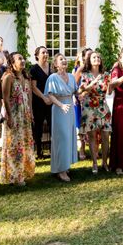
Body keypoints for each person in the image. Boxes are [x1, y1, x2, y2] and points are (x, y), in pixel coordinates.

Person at [0, 52, 36, 186]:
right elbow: (5, 98)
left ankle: (24, 171)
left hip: (25, 115)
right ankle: (15, 176)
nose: (23, 60)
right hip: (14, 114)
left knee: (24, 143)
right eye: (19, 58)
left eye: (23, 58)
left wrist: (31, 112)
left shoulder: (26, 77)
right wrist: (9, 116)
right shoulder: (8, 77)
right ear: (12, 62)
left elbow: (30, 97)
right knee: (14, 145)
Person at [44, 54, 79, 183]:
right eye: (61, 59)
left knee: (69, 136)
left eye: (64, 59)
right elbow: (50, 95)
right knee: (62, 137)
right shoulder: (53, 77)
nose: (64, 61)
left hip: (70, 109)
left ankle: (66, 165)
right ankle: (60, 170)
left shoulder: (70, 76)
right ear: (55, 64)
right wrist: (61, 105)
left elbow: (75, 91)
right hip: (59, 109)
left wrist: (79, 96)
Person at [78, 51, 112, 174]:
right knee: (92, 136)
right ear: (89, 60)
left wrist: (111, 84)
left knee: (106, 135)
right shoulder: (85, 75)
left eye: (98, 57)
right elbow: (81, 90)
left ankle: (104, 163)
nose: (97, 58)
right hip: (89, 106)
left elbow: (108, 92)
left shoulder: (106, 74)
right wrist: (92, 83)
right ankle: (94, 163)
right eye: (94, 57)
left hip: (103, 106)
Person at [30, 46, 52, 158]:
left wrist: (51, 98)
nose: (46, 54)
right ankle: (39, 151)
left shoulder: (51, 67)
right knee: (38, 127)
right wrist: (44, 97)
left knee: (52, 125)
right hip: (38, 102)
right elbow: (33, 87)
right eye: (43, 52)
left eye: (47, 52)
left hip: (51, 101)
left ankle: (53, 150)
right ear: (37, 55)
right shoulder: (33, 69)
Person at [73, 47, 92, 161]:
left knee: (90, 124)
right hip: (80, 99)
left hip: (90, 99)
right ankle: (82, 150)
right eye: (88, 55)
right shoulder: (79, 69)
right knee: (81, 125)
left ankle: (92, 148)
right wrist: (77, 95)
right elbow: (74, 85)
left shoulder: (92, 69)